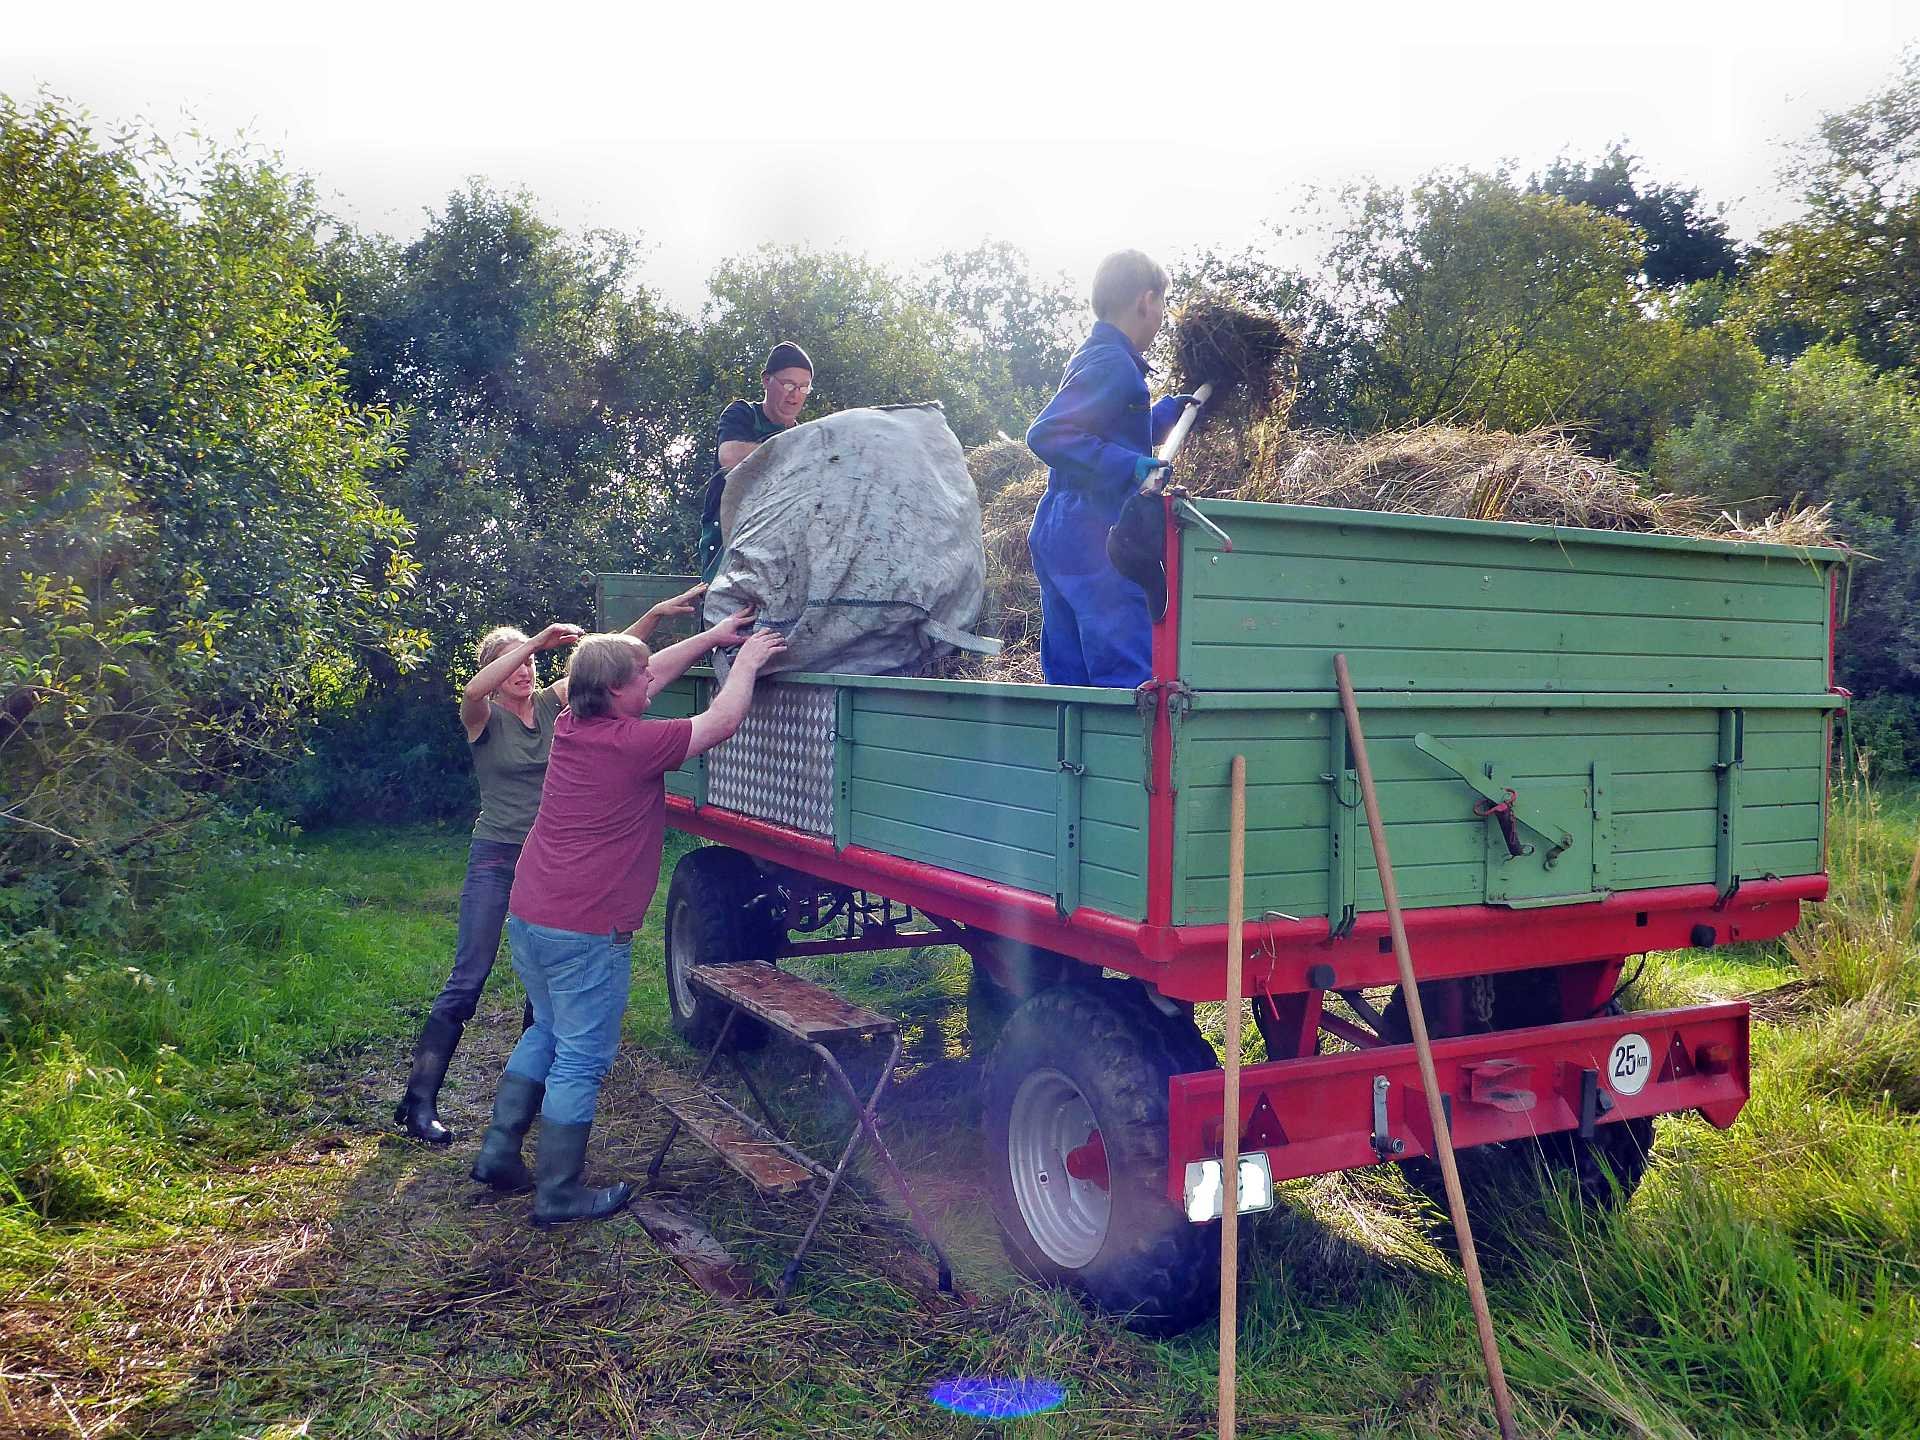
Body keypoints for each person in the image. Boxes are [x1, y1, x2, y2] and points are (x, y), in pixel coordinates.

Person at [468, 612, 787, 1225]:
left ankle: (499, 1154)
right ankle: (559, 1193)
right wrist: (747, 662)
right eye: (639, 679)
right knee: (582, 1056)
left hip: (532, 910)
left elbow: (654, 669)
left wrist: (713, 639)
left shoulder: (571, 722)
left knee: (546, 1032)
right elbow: (721, 721)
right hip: (585, 926)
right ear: (617, 691)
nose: (650, 684)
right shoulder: (633, 744)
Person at [392, 585, 706, 1145]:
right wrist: (534, 638)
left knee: (546, 998)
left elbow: (607, 668)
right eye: (515, 662)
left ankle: (524, 1122)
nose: (526, 670)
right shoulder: (481, 718)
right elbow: (473, 686)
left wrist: (654, 617)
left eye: (533, 662)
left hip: (550, 863)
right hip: (496, 857)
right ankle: (418, 1102)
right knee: (467, 981)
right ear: (498, 667)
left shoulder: (550, 706)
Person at [1025, 251, 1196, 688]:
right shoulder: (1113, 363)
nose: (1161, 318)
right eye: (1162, 305)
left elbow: (1103, 429)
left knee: (1070, 678)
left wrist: (1159, 417)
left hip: (1062, 528)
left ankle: (1073, 759)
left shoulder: (1097, 356)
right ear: (1145, 299)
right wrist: (1130, 466)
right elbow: (1049, 434)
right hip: (1097, 535)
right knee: (1123, 678)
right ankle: (1124, 757)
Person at [698, 341, 815, 577]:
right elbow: (730, 457)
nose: (795, 395)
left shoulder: (804, 436)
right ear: (766, 380)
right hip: (729, 544)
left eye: (804, 388)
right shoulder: (742, 414)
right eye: (789, 384)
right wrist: (798, 455)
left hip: (781, 549)